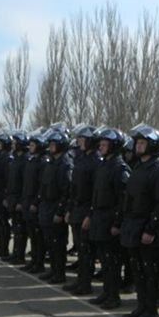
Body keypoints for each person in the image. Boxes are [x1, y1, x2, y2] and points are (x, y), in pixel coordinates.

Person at [121, 124, 159, 317]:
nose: (139, 146)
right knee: (138, 271)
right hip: (133, 225)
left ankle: (150, 311)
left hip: (146, 228)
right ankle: (141, 307)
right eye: (138, 143)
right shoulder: (138, 168)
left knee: (150, 272)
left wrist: (151, 229)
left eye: (143, 143)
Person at [88, 127, 131, 310]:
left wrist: (117, 222)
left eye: (105, 145)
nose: (101, 147)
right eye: (101, 144)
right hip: (99, 217)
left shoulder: (119, 169)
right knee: (105, 260)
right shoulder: (103, 165)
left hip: (110, 219)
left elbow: (122, 200)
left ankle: (113, 296)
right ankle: (106, 292)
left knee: (112, 261)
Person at [65, 124, 102, 295]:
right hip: (77, 208)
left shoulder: (95, 161)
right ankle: (81, 281)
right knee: (80, 248)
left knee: (86, 250)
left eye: (83, 138)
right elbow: (73, 188)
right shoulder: (80, 159)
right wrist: (69, 209)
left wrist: (90, 214)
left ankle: (85, 283)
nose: (79, 141)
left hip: (87, 209)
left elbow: (96, 191)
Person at [37, 127, 73, 284]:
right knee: (50, 242)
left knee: (58, 244)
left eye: (54, 144)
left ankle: (59, 273)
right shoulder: (51, 162)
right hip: (47, 206)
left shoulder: (65, 164)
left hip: (56, 206)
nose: (51, 147)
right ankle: (53, 270)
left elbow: (67, 191)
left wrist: (60, 211)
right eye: (50, 144)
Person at [21, 128, 48, 274]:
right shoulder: (32, 160)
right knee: (32, 234)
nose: (30, 148)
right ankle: (34, 261)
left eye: (32, 145)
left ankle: (39, 262)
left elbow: (41, 186)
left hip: (35, 204)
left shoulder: (42, 162)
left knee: (38, 236)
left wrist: (35, 203)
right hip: (27, 201)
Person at [5, 130, 29, 265]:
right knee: (16, 228)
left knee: (21, 230)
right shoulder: (15, 159)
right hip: (12, 197)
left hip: (20, 199)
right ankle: (15, 253)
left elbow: (25, 183)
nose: (13, 145)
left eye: (16, 143)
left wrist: (20, 201)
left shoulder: (25, 159)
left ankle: (20, 255)